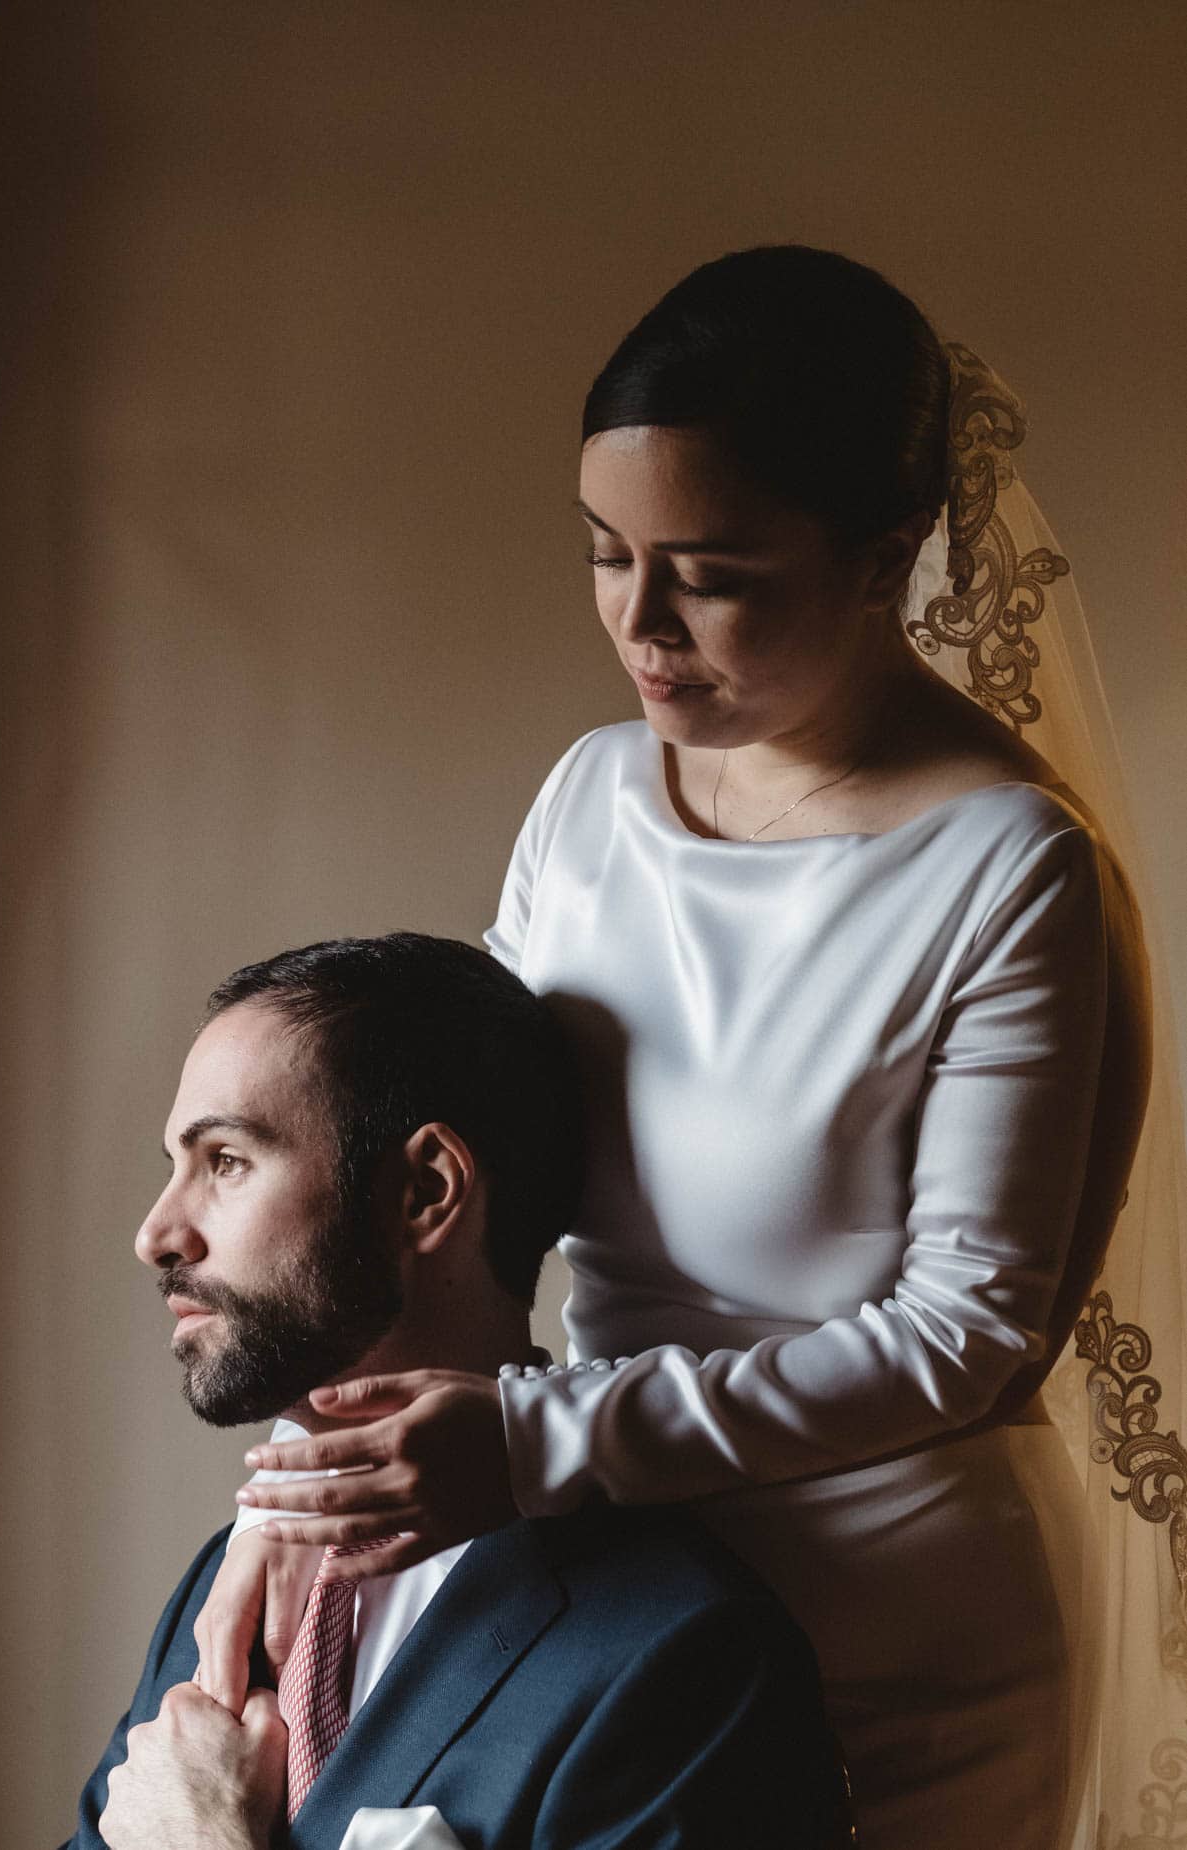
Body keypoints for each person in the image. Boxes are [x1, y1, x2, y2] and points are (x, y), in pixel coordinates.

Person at [196, 249, 1161, 1847]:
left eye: (710, 573)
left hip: (887, 1631)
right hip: (595, 1590)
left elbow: (970, 1334)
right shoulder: (591, 797)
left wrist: (539, 1441)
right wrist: (316, 1461)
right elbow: (468, 1146)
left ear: (885, 555)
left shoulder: (1006, 869)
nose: (640, 624)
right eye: (605, 552)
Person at [63, 933, 844, 1850]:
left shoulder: (687, 1656)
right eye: (174, 1166)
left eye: (226, 1160)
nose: (157, 1234)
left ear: (425, 1192)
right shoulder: (221, 1583)